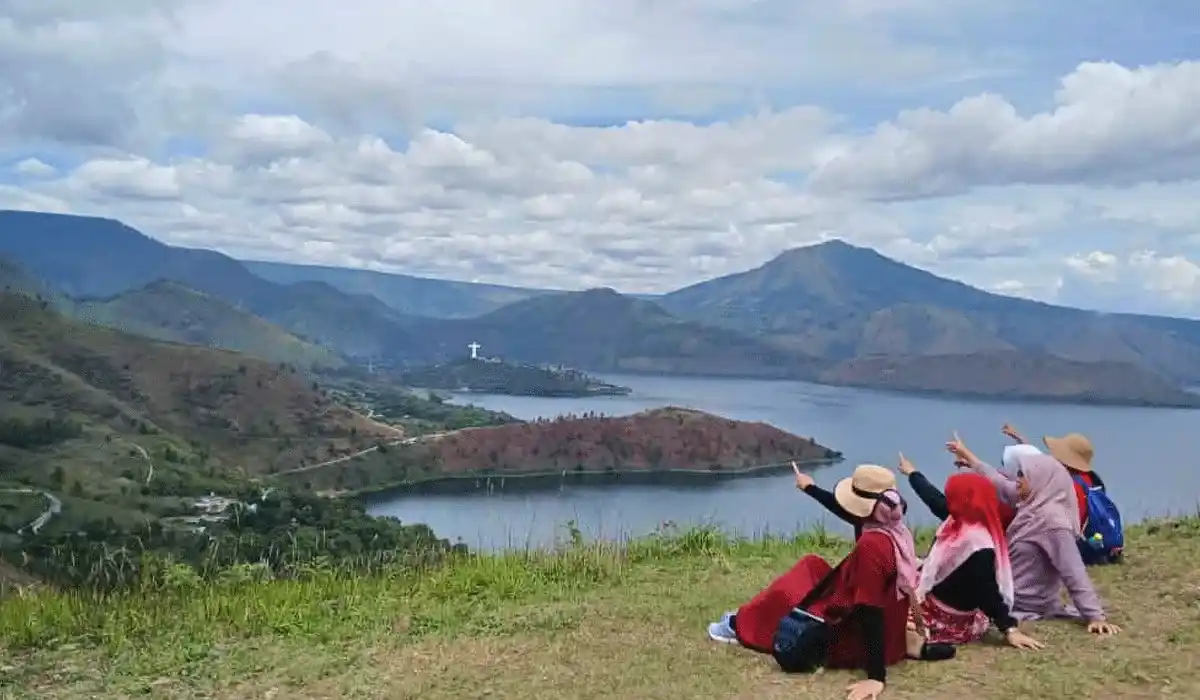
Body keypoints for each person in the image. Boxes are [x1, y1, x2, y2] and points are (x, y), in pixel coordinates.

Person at [709, 465, 953, 700]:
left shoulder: (871, 546)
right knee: (812, 566)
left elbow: (870, 610)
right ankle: (749, 616)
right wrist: (810, 487)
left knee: (788, 595)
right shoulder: (893, 529)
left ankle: (740, 624)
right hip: (889, 624)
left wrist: (876, 676)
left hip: (853, 635)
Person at [946, 435, 1122, 635]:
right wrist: (969, 458)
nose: (1017, 480)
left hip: (1021, 601)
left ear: (1039, 479)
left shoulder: (1052, 523)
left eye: (1022, 475)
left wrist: (1095, 616)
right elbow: (999, 482)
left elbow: (1073, 571)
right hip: (1007, 590)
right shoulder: (1033, 500)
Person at [896, 455, 1043, 649]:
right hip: (952, 602)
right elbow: (934, 500)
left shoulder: (977, 546)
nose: (948, 500)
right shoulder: (966, 519)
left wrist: (1009, 628)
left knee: (894, 595)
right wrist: (913, 473)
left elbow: (988, 592)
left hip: (944, 616)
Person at [1002, 424, 1124, 564]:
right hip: (1089, 542)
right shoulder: (1090, 479)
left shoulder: (1067, 484)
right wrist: (1021, 440)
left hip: (1073, 547)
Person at [791, 462, 898, 540]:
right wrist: (810, 488)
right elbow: (838, 507)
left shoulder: (867, 532)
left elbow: (837, 506)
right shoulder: (896, 525)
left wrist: (809, 488)